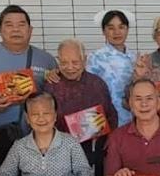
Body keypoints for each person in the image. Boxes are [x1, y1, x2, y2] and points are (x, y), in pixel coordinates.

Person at [0, 4, 58, 163]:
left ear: (30, 30)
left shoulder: (46, 59)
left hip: (40, 138)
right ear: (0, 30)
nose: (15, 30)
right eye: (9, 25)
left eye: (21, 24)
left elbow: (57, 95)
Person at [46, 39, 118, 168]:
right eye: (64, 63)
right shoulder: (51, 86)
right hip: (61, 153)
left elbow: (111, 115)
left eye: (75, 62)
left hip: (95, 150)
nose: (70, 67)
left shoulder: (97, 84)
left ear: (84, 60)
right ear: (58, 61)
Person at [87, 9, 138, 128]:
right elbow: (89, 92)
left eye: (121, 27)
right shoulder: (95, 58)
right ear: (103, 31)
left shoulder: (135, 58)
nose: (117, 32)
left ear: (127, 29)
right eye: (111, 28)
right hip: (106, 120)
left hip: (134, 119)